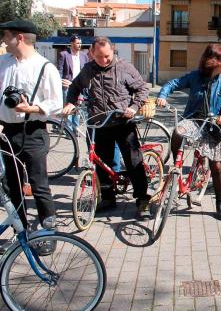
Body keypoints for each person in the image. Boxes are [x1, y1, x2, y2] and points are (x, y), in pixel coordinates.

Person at [63, 36, 151, 220]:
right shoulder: (88, 70)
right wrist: (70, 103)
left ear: (113, 51)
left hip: (123, 123)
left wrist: (133, 108)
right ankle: (108, 198)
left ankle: (142, 200)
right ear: (92, 54)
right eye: (99, 57)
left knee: (134, 162)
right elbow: (75, 87)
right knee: (101, 165)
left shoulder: (124, 67)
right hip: (99, 124)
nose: (103, 60)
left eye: (107, 56)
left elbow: (142, 89)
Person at [0, 19, 62, 254]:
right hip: (6, 132)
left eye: (7, 35)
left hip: (33, 132)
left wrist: (32, 108)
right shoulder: (3, 62)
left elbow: (56, 103)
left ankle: (47, 233)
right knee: (12, 187)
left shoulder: (45, 67)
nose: (4, 40)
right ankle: (21, 231)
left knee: (39, 185)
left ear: (20, 38)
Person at [157, 45, 221, 221]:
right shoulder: (196, 77)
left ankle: (219, 203)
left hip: (214, 126)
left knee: (216, 167)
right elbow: (173, 83)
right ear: (214, 62)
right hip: (194, 121)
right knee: (178, 131)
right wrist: (163, 95)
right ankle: (176, 165)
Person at [57, 35, 89, 130]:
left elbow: (86, 70)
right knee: (69, 107)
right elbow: (59, 70)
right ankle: (69, 130)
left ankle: (76, 129)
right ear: (71, 43)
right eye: (77, 43)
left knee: (78, 107)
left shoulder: (84, 55)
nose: (79, 45)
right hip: (68, 85)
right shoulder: (64, 54)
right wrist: (60, 81)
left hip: (80, 85)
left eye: (80, 43)